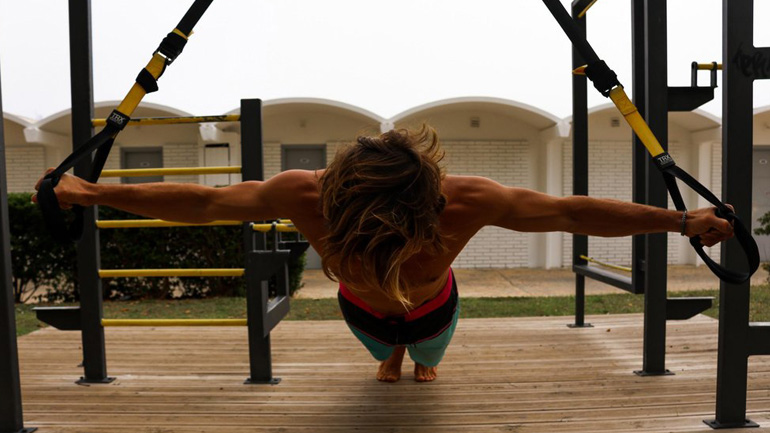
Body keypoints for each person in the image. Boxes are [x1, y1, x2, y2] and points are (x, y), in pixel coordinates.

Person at [34, 126, 734, 383]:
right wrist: (87, 191)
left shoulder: (463, 200)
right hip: (361, 311)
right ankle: (391, 353)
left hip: (436, 310)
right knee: (385, 354)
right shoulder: (303, 193)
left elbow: (567, 211)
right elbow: (209, 202)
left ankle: (413, 354)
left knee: (427, 357)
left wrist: (681, 221)